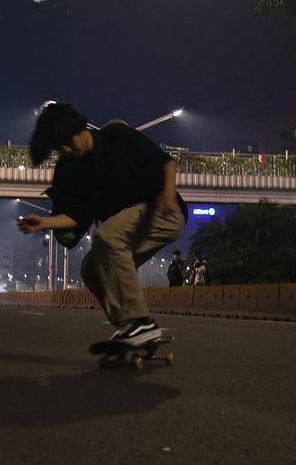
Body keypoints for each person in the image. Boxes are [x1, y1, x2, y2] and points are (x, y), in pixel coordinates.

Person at [18, 102, 186, 347]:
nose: (65, 150)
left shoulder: (117, 136)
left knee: (107, 235)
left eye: (67, 142)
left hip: (162, 212)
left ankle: (140, 321)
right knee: (91, 268)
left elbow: (165, 162)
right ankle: (128, 326)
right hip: (128, 228)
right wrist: (44, 222)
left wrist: (168, 194)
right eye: (58, 148)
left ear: (80, 129)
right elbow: (77, 215)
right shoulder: (69, 169)